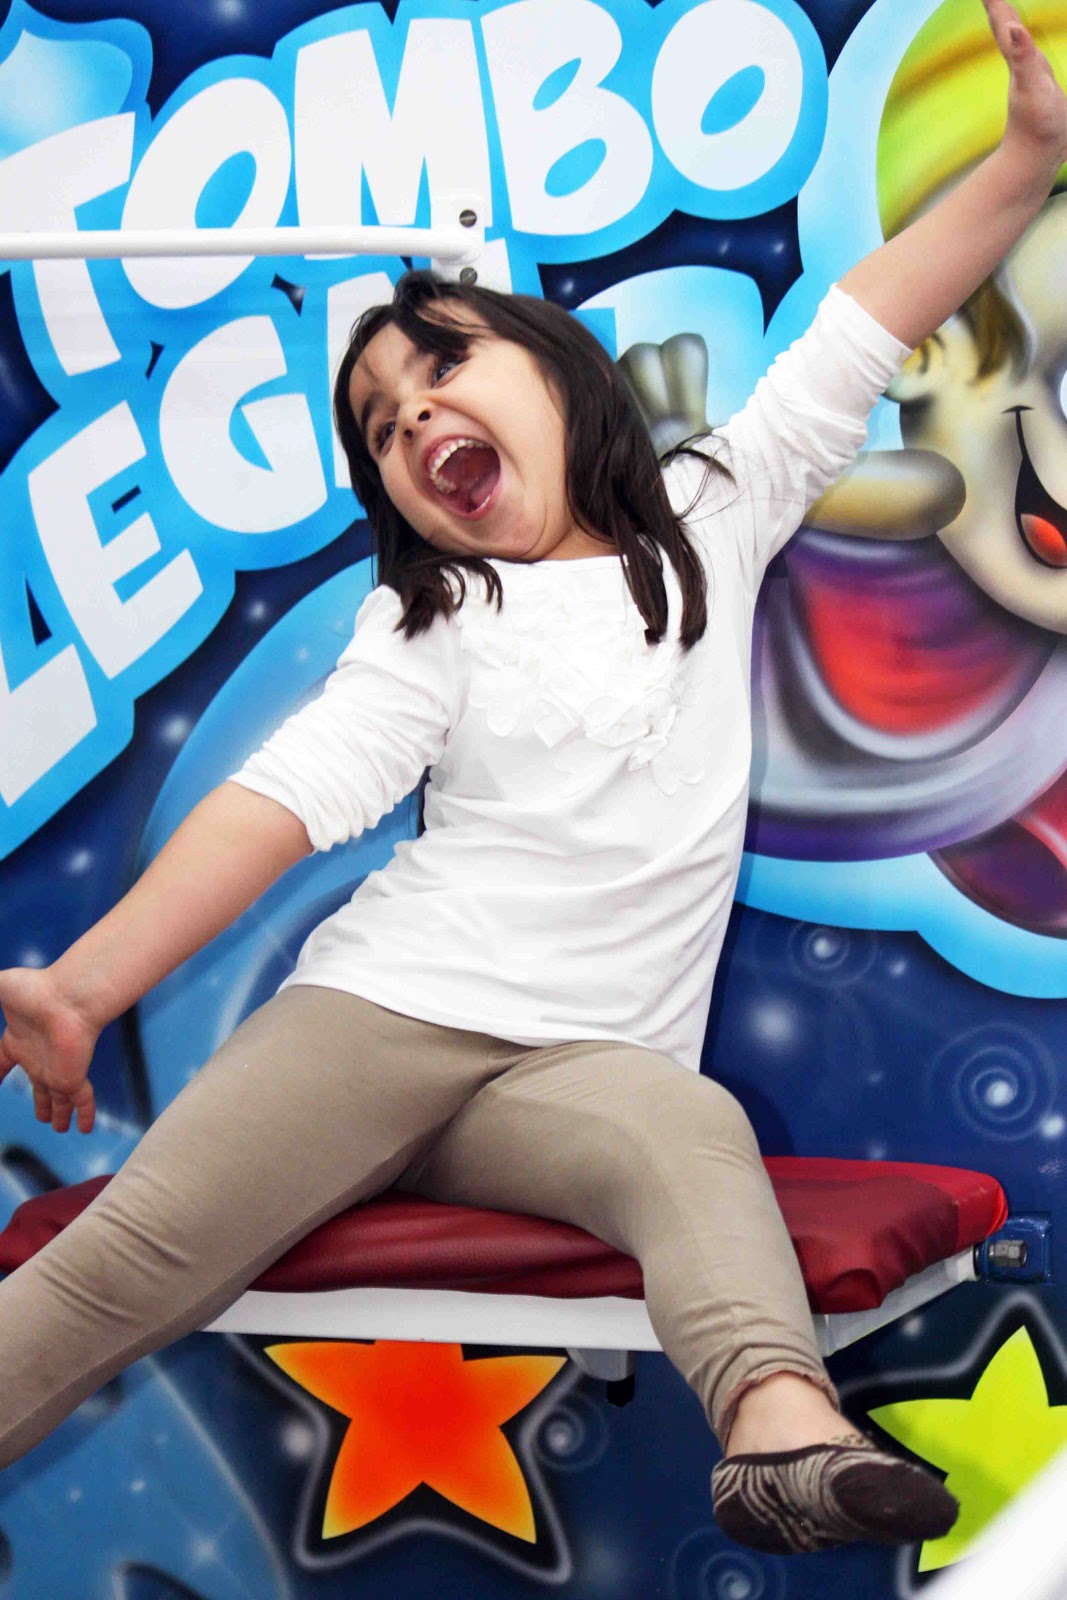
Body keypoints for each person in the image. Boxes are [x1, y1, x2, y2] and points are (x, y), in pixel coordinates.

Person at [0, 0, 1060, 1558]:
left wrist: (1026, 158)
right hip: (378, 1020)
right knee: (124, 1261)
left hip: (580, 1073)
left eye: (444, 366)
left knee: (684, 1132)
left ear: (560, 375)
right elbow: (279, 801)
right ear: (402, 498)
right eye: (383, 426)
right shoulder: (430, 619)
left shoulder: (715, 511)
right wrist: (85, 989)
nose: (417, 413)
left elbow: (871, 311)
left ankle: (781, 1438)